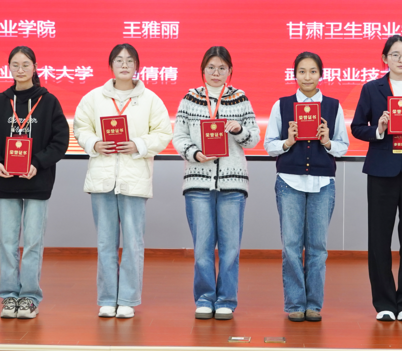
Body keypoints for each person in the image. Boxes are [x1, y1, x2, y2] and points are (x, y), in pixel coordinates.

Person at [74, 44, 173, 319]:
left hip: (134, 179)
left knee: (132, 243)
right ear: (111, 66)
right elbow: (81, 127)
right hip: (102, 179)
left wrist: (138, 144)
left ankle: (128, 298)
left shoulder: (151, 99)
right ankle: (107, 299)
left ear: (137, 66)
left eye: (130, 60)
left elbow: (163, 133)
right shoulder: (94, 97)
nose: (125, 65)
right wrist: (95, 143)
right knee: (105, 242)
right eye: (119, 60)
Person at [0, 46, 69, 319]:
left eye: (25, 64)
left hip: (37, 182)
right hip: (5, 182)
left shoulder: (49, 102)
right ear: (9, 68)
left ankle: (29, 297)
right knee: (7, 242)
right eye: (15, 64)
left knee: (32, 243)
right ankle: (8, 296)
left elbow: (60, 141)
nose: (20, 69)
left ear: (35, 67)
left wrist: (37, 163)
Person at [350, 35, 402, 322]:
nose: (401, 59)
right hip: (381, 170)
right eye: (395, 54)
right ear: (384, 58)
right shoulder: (371, 89)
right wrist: (379, 128)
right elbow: (357, 127)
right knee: (379, 239)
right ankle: (384, 302)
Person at [172, 46, 260, 320]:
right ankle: (205, 298)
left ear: (230, 71)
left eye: (222, 68)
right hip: (198, 183)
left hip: (233, 184)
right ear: (203, 70)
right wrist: (195, 153)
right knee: (202, 248)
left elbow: (254, 138)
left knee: (230, 249)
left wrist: (239, 129)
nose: (216, 72)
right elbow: (179, 136)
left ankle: (226, 300)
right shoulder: (190, 98)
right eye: (211, 67)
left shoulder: (240, 98)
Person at [265, 52, 349, 322]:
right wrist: (288, 141)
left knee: (317, 247)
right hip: (289, 181)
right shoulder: (282, 105)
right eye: (302, 71)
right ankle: (294, 304)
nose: (307, 77)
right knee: (291, 245)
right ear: (295, 75)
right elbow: (269, 146)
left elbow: (343, 147)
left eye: (313, 71)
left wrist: (327, 142)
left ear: (320, 74)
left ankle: (313, 304)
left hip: (322, 183)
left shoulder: (333, 106)